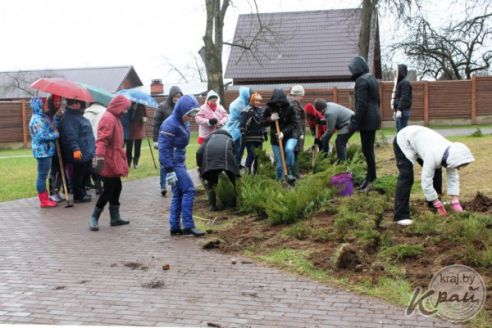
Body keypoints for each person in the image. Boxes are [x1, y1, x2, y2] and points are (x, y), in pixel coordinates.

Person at [393, 126, 474, 226]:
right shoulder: (433, 155)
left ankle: (433, 205)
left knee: (436, 172)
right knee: (407, 177)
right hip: (405, 140)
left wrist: (455, 200)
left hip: (422, 141)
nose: (458, 168)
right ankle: (401, 216)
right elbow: (426, 180)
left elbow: (453, 178)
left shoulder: (453, 153)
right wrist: (436, 202)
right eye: (458, 166)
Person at [158, 95, 205, 237]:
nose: (191, 117)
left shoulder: (183, 123)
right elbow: (164, 149)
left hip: (180, 162)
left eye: (193, 113)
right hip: (174, 164)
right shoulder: (170, 124)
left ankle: (175, 227)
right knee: (189, 189)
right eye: (189, 113)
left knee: (178, 193)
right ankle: (188, 225)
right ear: (181, 110)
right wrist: (169, 170)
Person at [89, 95, 132, 231]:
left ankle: (115, 218)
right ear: (119, 106)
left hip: (114, 160)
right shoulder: (108, 118)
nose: (126, 111)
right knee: (108, 190)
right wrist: (99, 159)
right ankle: (94, 217)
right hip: (107, 161)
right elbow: (101, 140)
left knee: (117, 187)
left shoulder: (115, 118)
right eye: (125, 108)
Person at [347, 56, 381, 191]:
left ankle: (371, 179)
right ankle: (370, 178)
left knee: (367, 151)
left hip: (366, 120)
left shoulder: (361, 81)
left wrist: (354, 122)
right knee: (369, 151)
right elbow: (377, 100)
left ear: (357, 68)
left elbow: (361, 104)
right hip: (374, 117)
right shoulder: (371, 79)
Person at [59, 98, 95, 203]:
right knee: (78, 174)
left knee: (86, 172)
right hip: (79, 151)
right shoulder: (68, 118)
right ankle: (78, 195)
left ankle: (82, 192)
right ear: (70, 104)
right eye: (74, 103)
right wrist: (75, 149)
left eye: (78, 103)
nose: (77, 105)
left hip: (86, 150)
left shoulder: (78, 115)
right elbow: (71, 135)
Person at [196, 130, 240, 211]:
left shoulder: (209, 138)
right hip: (227, 159)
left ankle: (212, 206)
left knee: (211, 182)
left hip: (211, 161)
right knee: (234, 181)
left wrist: (200, 166)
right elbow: (235, 154)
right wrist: (235, 171)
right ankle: (235, 203)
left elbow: (199, 152)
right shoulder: (229, 139)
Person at [28, 97, 59, 208]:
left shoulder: (42, 117)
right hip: (42, 152)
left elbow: (49, 128)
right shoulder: (36, 120)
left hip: (47, 151)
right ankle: (44, 200)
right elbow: (42, 136)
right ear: (38, 106)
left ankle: (45, 197)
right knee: (42, 176)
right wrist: (55, 135)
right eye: (44, 105)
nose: (46, 106)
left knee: (43, 175)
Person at [154, 86, 182, 197]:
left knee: (175, 161)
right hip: (163, 138)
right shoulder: (162, 107)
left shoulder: (180, 108)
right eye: (175, 96)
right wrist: (155, 140)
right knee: (164, 163)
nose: (177, 98)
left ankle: (174, 184)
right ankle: (163, 186)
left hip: (175, 139)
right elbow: (156, 124)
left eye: (179, 97)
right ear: (171, 96)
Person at [264, 88, 298, 181]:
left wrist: (283, 132)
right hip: (275, 139)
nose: (279, 103)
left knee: (289, 149)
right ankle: (280, 181)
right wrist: (270, 119)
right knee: (279, 163)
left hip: (290, 135)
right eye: (277, 102)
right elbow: (262, 122)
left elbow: (294, 123)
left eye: (281, 102)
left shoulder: (290, 108)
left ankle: (289, 172)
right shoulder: (269, 108)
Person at [83, 102, 107, 195]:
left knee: (94, 164)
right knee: (103, 164)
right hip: (102, 141)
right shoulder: (105, 112)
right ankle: (105, 185)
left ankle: (98, 187)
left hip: (90, 142)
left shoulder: (86, 113)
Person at [44, 94, 65, 202]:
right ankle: (52, 192)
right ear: (51, 102)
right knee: (54, 169)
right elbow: (46, 130)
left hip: (61, 144)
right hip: (52, 146)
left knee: (62, 169)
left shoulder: (62, 113)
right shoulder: (47, 115)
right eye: (55, 101)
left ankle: (58, 190)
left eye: (59, 101)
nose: (57, 103)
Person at [239, 92, 266, 173]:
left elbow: (263, 122)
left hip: (259, 137)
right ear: (252, 100)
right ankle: (248, 172)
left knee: (258, 156)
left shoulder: (261, 110)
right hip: (250, 137)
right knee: (251, 154)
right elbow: (242, 124)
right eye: (256, 100)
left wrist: (265, 133)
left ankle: (256, 172)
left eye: (259, 101)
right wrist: (243, 133)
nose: (258, 102)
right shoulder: (246, 110)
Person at [224, 86, 251, 164]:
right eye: (249, 94)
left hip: (238, 128)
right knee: (237, 148)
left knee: (240, 148)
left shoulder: (244, 102)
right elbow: (244, 115)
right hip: (235, 128)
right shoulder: (239, 103)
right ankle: (234, 165)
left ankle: (237, 164)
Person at [288, 85, 306, 178]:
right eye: (302, 95)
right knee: (294, 151)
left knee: (295, 152)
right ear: (298, 95)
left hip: (295, 131)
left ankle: (295, 172)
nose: (302, 98)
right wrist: (301, 133)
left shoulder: (293, 102)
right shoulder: (293, 104)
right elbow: (297, 120)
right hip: (295, 132)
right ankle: (293, 173)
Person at [122, 102, 147, 169]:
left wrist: (144, 119)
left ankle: (135, 163)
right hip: (130, 130)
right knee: (129, 148)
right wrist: (132, 110)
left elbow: (145, 115)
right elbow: (126, 117)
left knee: (137, 147)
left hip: (139, 129)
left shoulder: (142, 106)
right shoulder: (128, 105)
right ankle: (128, 163)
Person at [391, 64, 412, 132]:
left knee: (401, 132)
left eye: (396, 72)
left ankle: (401, 143)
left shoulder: (404, 83)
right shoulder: (399, 83)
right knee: (399, 131)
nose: (394, 74)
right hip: (399, 111)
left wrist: (399, 109)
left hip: (402, 111)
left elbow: (404, 97)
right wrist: (395, 109)